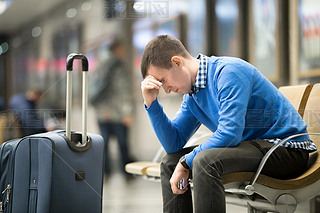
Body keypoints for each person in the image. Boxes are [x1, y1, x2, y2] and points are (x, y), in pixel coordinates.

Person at [140, 35, 316, 213]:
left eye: (162, 80)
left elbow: (230, 133)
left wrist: (186, 162)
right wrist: (151, 104)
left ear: (177, 62)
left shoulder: (228, 72)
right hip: (253, 147)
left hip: (286, 149)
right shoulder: (192, 95)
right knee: (171, 162)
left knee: (205, 161)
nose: (166, 90)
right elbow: (173, 144)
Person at [89, 39, 134, 179]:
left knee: (104, 143)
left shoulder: (99, 64)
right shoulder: (119, 66)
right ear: (117, 49)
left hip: (102, 112)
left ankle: (105, 172)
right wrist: (128, 112)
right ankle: (126, 172)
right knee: (122, 143)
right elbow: (123, 91)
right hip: (118, 113)